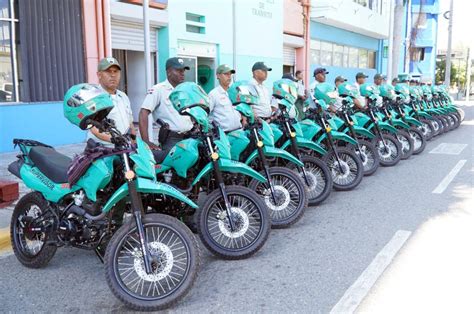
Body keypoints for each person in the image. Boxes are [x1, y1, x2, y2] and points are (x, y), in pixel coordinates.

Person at [139, 57, 192, 152]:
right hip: (171, 140)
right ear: (169, 72)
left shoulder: (185, 90)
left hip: (190, 138)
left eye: (183, 70)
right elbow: (143, 112)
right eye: (178, 70)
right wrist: (146, 141)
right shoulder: (158, 90)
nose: (182, 73)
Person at [87, 57, 136, 146]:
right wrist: (115, 140)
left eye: (115, 71)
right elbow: (94, 129)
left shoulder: (123, 96)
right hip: (103, 150)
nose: (113, 75)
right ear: (99, 75)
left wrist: (134, 141)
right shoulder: (93, 97)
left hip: (123, 149)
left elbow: (130, 123)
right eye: (108, 71)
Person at [208, 64, 244, 132]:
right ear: (218, 76)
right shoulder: (213, 94)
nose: (229, 77)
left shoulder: (235, 92)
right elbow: (207, 114)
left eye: (230, 74)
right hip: (224, 135)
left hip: (238, 132)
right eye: (226, 74)